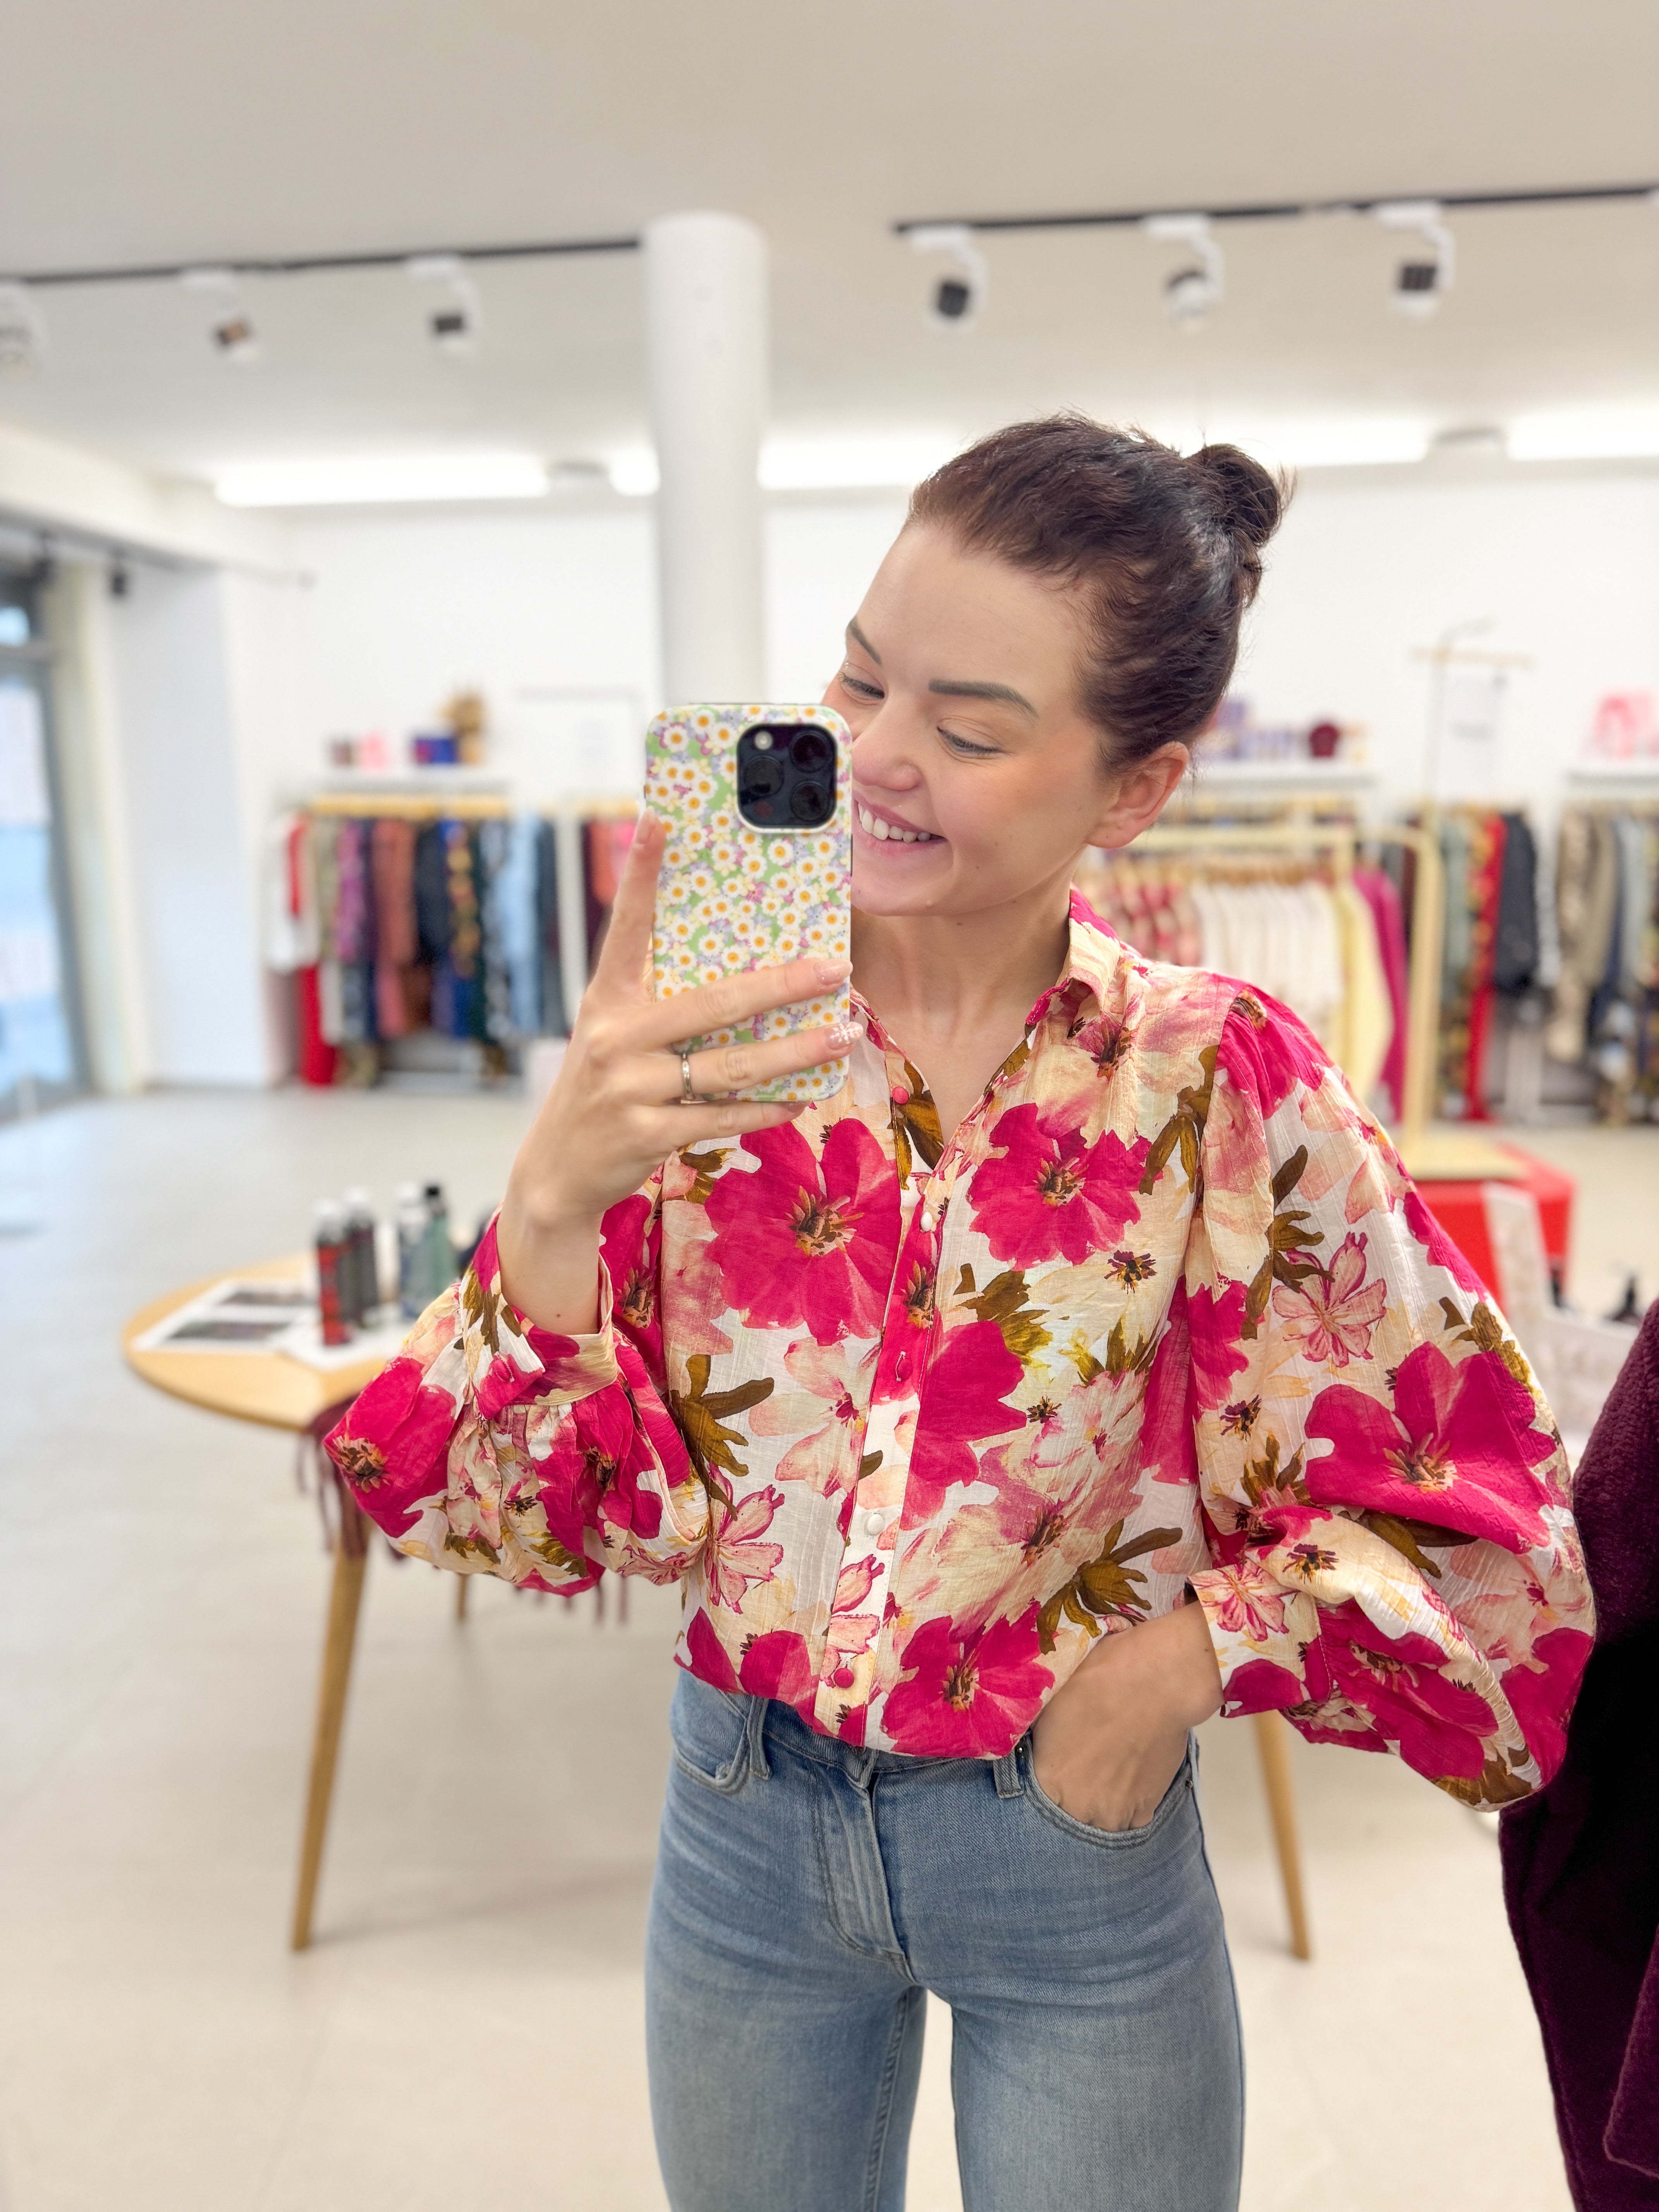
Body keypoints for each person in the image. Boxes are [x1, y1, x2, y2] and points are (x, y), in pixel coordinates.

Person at [327, 417, 1593, 2212]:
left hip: (1063, 1844)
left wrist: (1171, 1669)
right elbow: (514, 1509)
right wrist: (551, 1193)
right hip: (741, 1833)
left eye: (972, 726)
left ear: (1134, 789)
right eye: (857, 681)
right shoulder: (705, 1040)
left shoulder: (1216, 1079)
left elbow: (1494, 1525)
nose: (875, 760)